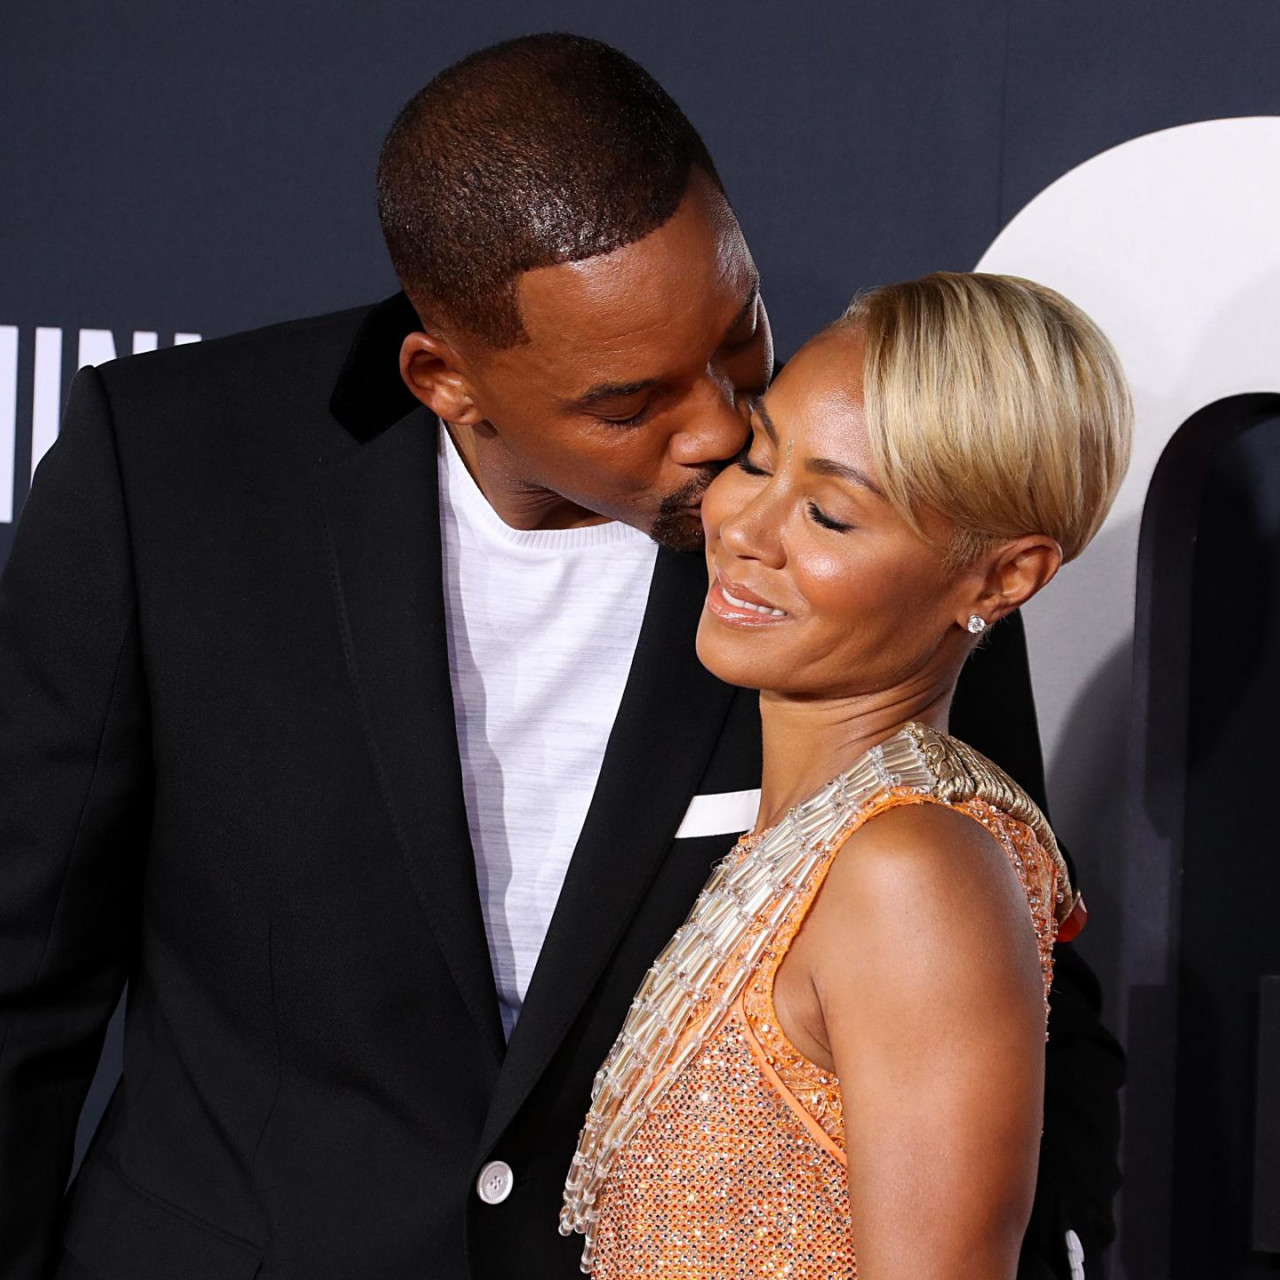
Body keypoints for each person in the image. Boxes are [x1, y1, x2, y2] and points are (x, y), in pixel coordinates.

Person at [0, 35, 1120, 1280]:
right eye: (630, 402)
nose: (720, 433)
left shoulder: (880, 516)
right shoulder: (172, 471)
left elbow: (1012, 979)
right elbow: (23, 969)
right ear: (446, 380)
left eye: (738, 333)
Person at [561, 272, 1132, 1279]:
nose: (743, 525)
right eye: (756, 457)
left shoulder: (909, 873)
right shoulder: (820, 844)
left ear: (1002, 577)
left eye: (826, 514)